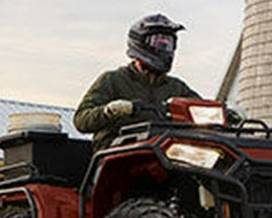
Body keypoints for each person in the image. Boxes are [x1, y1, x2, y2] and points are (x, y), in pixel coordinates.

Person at [74, 13, 201, 152]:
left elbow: (202, 109)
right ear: (139, 43)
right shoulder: (113, 79)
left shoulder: (176, 88)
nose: (165, 49)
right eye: (158, 43)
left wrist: (226, 114)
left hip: (163, 153)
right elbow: (81, 120)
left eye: (168, 44)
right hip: (117, 152)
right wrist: (110, 111)